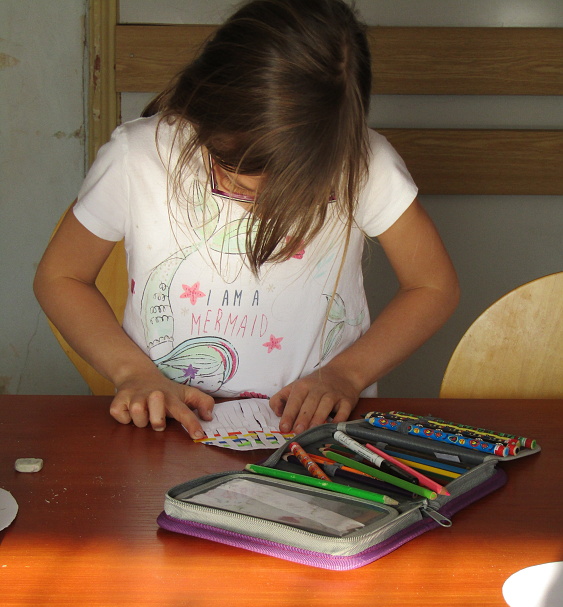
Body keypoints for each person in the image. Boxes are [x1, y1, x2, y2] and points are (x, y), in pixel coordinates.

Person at [34, 0, 459, 438]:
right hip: (167, 427)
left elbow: (432, 286)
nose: (255, 202)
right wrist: (131, 372)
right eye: (231, 174)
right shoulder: (138, 157)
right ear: (204, 105)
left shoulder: (366, 165)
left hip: (317, 434)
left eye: (292, 187)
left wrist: (347, 374)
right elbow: (61, 276)